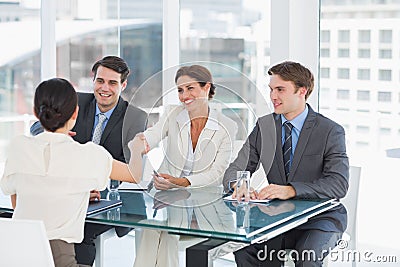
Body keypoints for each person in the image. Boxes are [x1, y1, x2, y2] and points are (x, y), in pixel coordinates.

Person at [0, 78, 142, 267]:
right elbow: (134, 175)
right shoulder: (88, 155)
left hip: (14, 255)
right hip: (61, 259)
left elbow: (19, 201)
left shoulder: (18, 146)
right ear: (75, 112)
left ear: (36, 112)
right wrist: (138, 148)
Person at [222, 61, 349, 267]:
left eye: (280, 89)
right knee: (244, 250)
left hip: (319, 220)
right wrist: (239, 185)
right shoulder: (264, 126)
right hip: (276, 219)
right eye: (271, 89)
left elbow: (338, 184)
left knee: (306, 259)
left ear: (302, 91)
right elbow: (235, 169)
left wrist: (290, 190)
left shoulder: (329, 131)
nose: (273, 96)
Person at [30, 56, 148, 266]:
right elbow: (39, 125)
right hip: (66, 192)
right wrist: (58, 134)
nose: (104, 88)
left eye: (112, 83)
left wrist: (89, 185)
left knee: (81, 230)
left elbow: (129, 168)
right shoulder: (75, 101)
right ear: (93, 80)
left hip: (107, 199)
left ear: (123, 85)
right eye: (100, 81)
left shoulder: (136, 117)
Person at [130, 64, 238, 267]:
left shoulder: (227, 126)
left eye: (190, 88)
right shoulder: (173, 113)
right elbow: (153, 135)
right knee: (154, 228)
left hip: (206, 206)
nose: (184, 95)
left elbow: (217, 174)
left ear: (207, 88)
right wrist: (141, 143)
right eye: (180, 90)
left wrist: (179, 182)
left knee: (161, 232)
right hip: (168, 201)